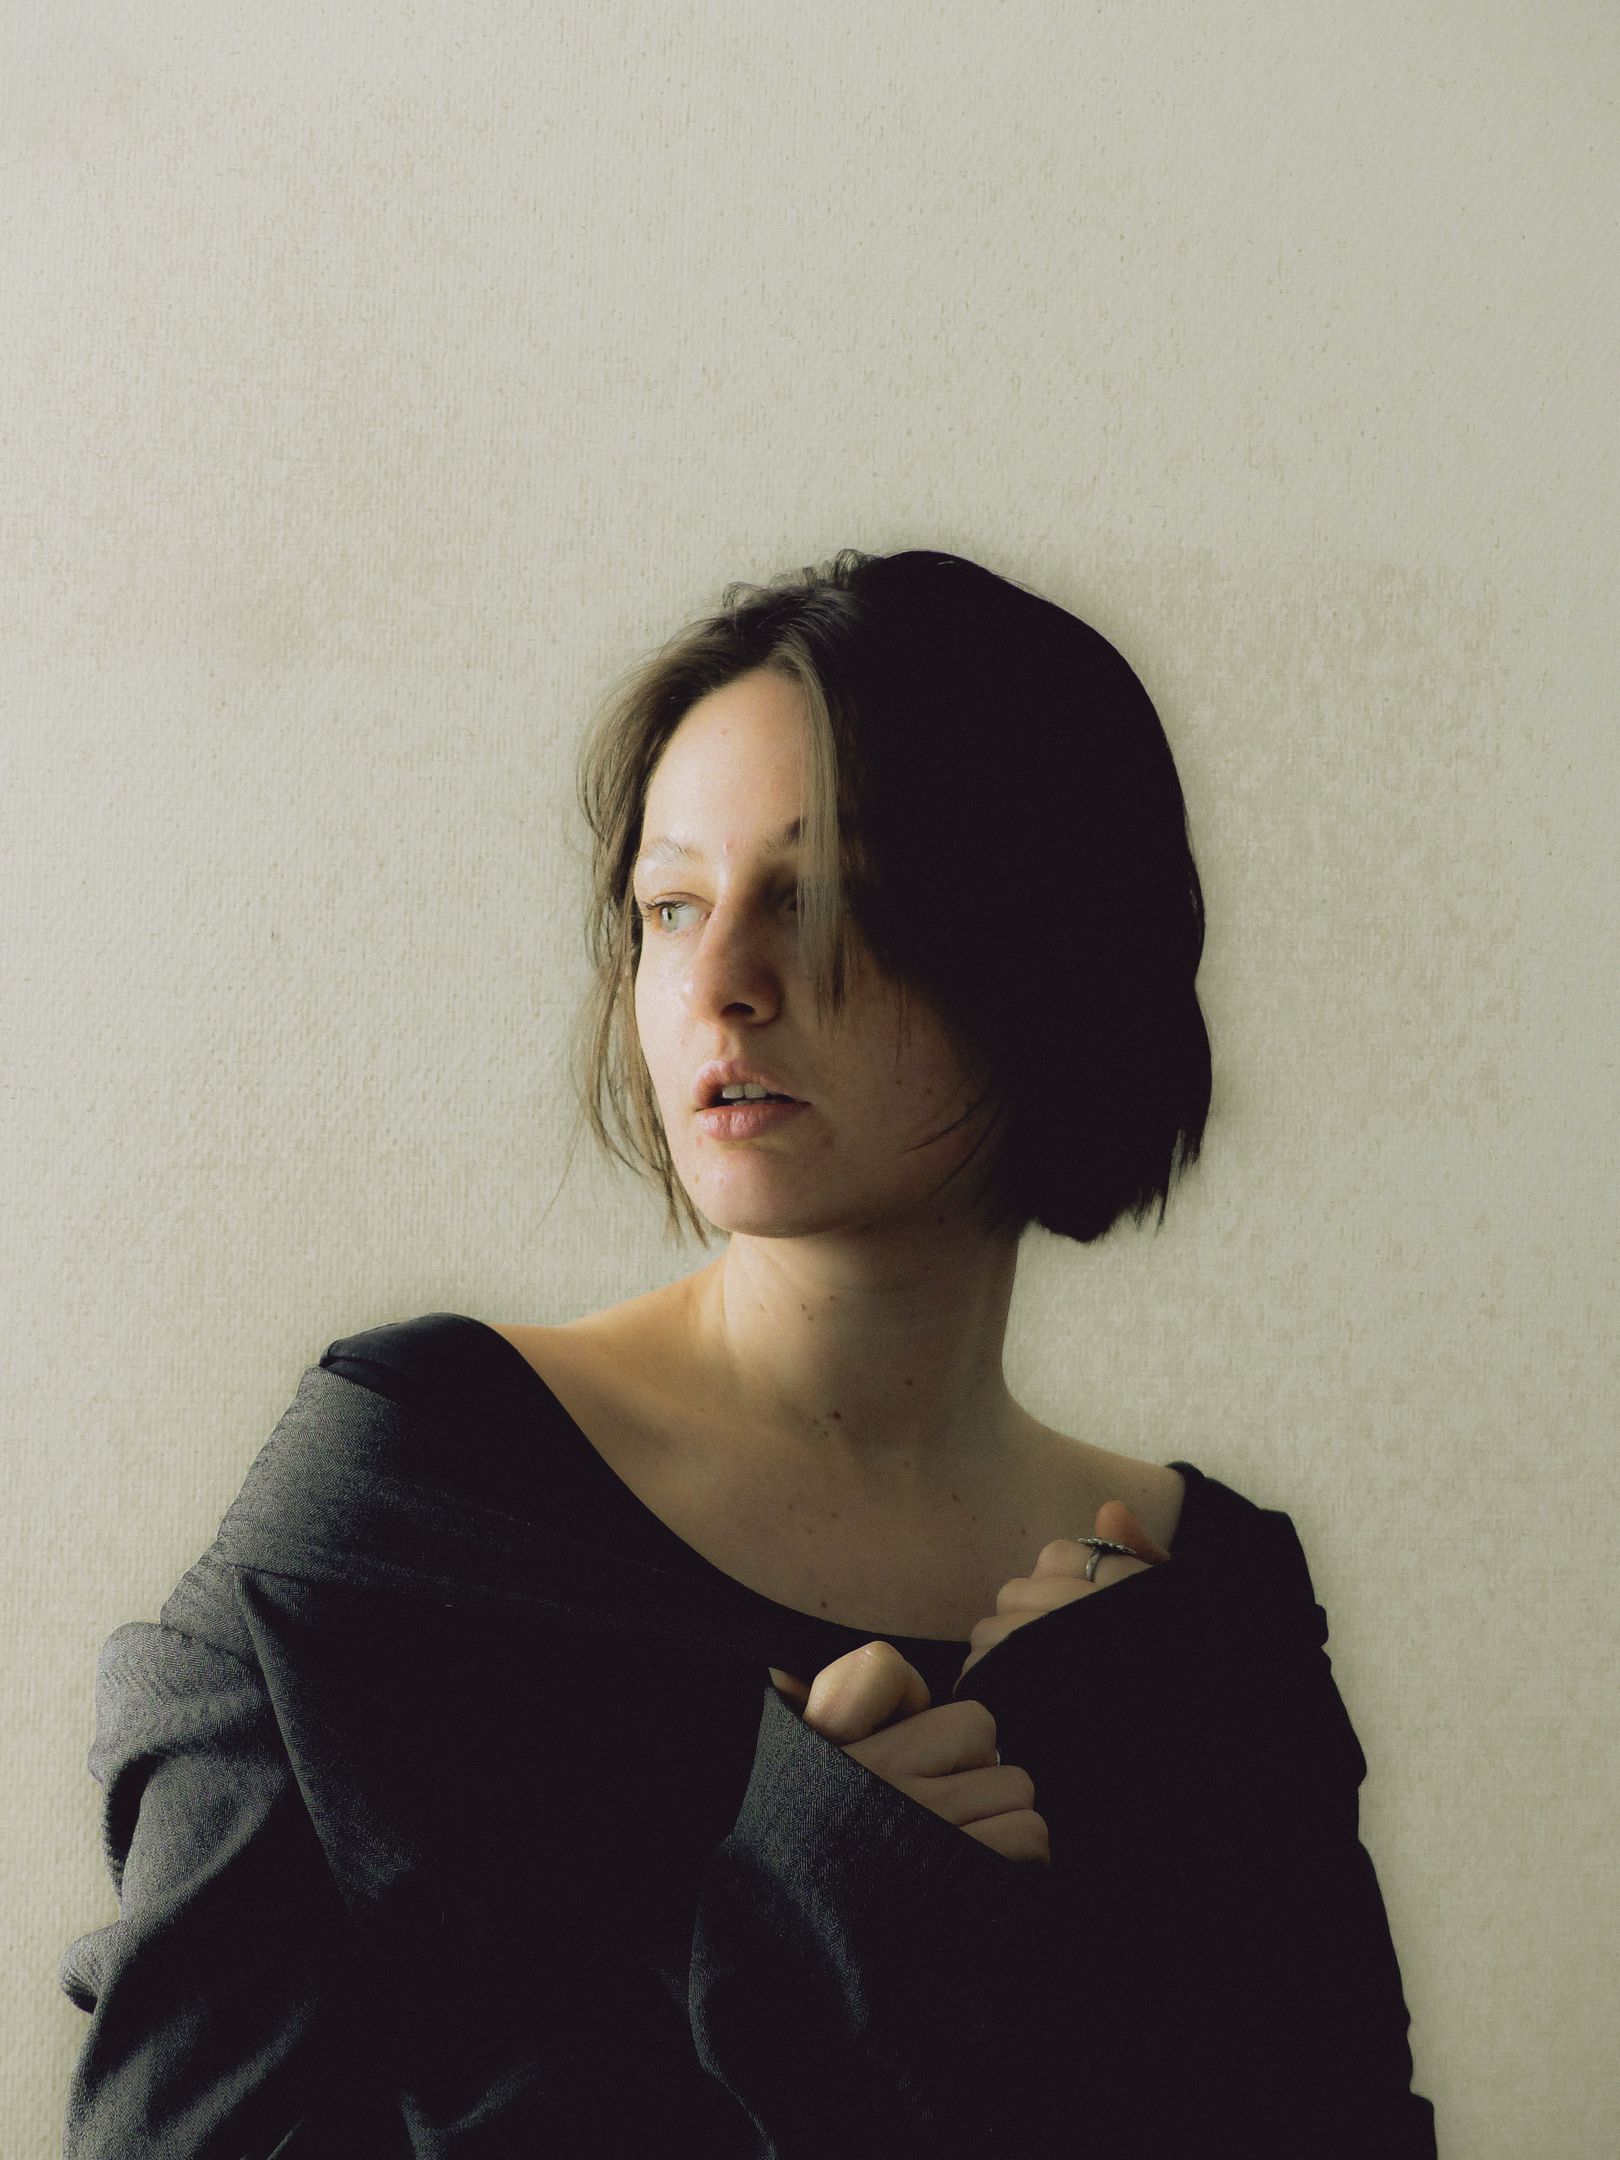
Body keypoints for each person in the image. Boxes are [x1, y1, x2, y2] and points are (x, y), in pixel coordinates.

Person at [58, 548, 1438, 2156]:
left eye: (823, 896)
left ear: (1054, 942)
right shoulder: (413, 1496)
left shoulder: (1203, 1613)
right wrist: (815, 1927)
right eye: (672, 907)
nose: (717, 986)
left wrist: (1146, 1838)